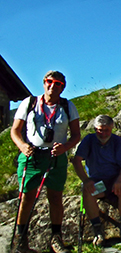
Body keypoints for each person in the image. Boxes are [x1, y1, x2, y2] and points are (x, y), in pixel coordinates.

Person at [10, 71, 81, 253]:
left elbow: (76, 135)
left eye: (57, 83)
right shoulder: (30, 103)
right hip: (31, 156)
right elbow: (15, 131)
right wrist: (22, 146)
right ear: (44, 83)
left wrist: (65, 148)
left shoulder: (67, 106)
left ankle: (56, 239)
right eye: (49, 82)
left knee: (56, 197)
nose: (52, 86)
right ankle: (21, 241)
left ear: (62, 87)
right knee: (26, 197)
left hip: (57, 157)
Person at [73, 115, 121, 247]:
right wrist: (86, 180)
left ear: (111, 128)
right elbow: (76, 160)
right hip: (98, 181)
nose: (103, 133)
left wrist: (119, 179)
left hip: (114, 180)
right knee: (87, 190)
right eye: (100, 130)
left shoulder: (116, 141)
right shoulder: (89, 140)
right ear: (95, 129)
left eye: (107, 130)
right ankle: (97, 230)